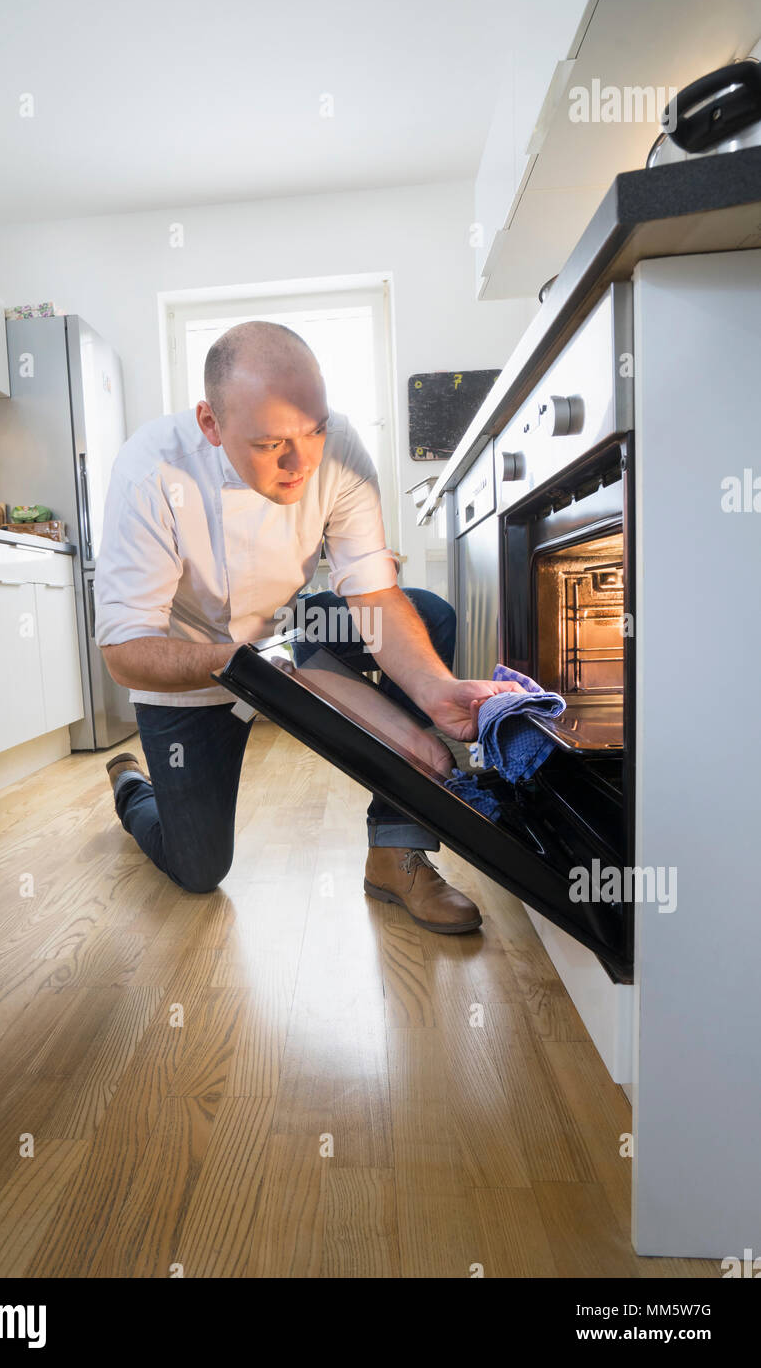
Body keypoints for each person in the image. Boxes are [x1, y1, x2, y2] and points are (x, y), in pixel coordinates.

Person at [95, 321, 521, 934]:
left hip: (287, 635)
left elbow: (374, 592)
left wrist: (433, 692)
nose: (302, 461)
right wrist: (245, 662)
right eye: (271, 445)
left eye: (314, 430)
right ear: (211, 425)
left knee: (428, 613)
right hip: (185, 667)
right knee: (197, 868)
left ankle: (394, 850)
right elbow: (124, 653)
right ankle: (135, 787)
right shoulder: (150, 473)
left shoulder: (341, 449)